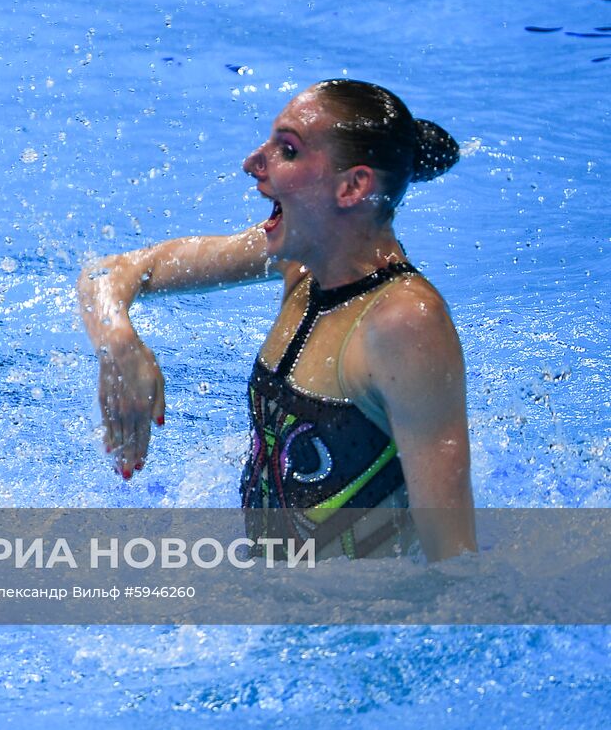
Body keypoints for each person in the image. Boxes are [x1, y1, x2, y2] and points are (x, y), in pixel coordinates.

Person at [78, 80, 475, 561]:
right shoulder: (301, 263)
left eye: (286, 150)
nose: (252, 164)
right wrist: (118, 344)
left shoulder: (404, 324)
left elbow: (455, 565)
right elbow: (109, 272)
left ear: (352, 186)